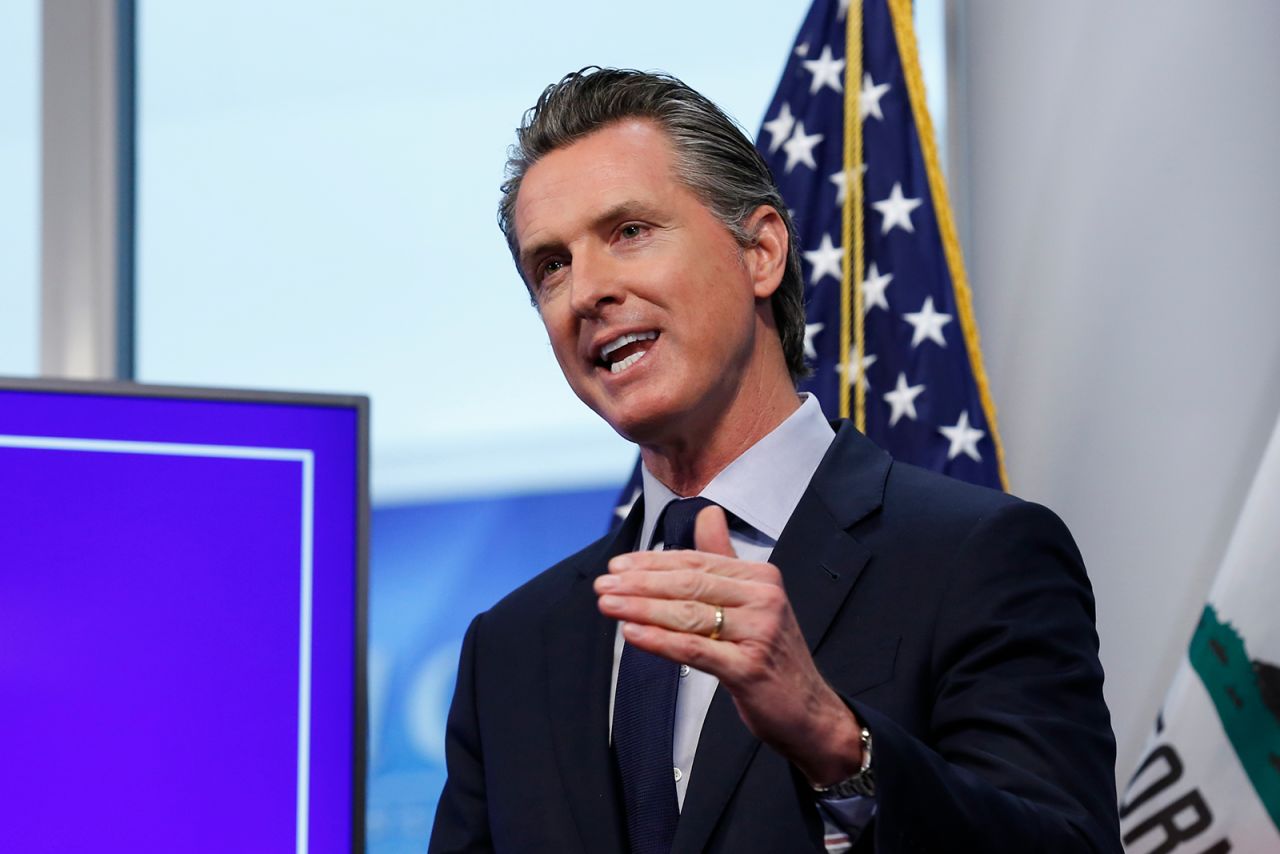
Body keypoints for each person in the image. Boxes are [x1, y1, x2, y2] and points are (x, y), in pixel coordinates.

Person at [428, 67, 1121, 853]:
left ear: (760, 252)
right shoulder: (513, 648)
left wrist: (837, 743)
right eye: (551, 265)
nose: (587, 291)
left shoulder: (974, 559)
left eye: (629, 232)